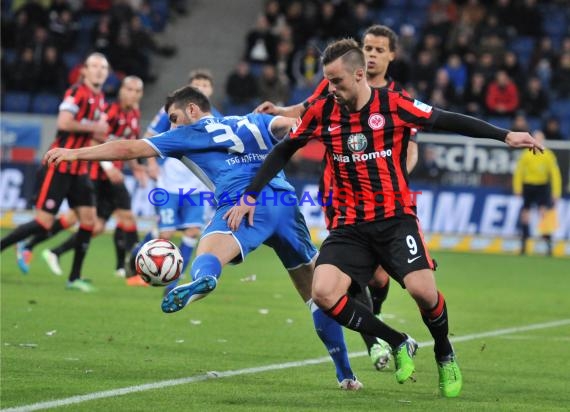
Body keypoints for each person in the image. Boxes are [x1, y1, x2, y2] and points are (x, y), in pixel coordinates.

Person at [224, 39, 543, 397]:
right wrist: (250, 194)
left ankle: (444, 352)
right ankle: (397, 341)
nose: (331, 89)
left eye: (337, 81)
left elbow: (446, 118)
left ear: (359, 75)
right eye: (328, 82)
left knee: (424, 293)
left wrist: (504, 135)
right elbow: (284, 149)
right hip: (350, 226)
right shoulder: (323, 111)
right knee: (324, 293)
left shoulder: (394, 105)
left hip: (395, 220)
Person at [44, 85, 362, 391]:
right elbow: (291, 124)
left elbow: (129, 149)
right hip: (284, 203)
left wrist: (74, 154)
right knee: (315, 297)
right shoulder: (251, 119)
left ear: (193, 110)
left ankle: (205, 278)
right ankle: (346, 375)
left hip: (243, 206)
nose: (172, 123)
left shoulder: (188, 133)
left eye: (174, 116)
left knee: (206, 252)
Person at [256, 24, 416, 371]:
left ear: (391, 55)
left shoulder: (397, 98)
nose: (372, 54)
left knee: (379, 279)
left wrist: (397, 177)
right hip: (340, 197)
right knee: (349, 275)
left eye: (378, 49)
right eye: (368, 47)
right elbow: (308, 108)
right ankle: (374, 342)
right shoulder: (335, 84)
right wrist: (280, 110)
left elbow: (411, 147)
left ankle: (377, 319)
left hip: (385, 201)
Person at [1, 52, 110, 292]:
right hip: (59, 164)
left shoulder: (100, 98)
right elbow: (63, 122)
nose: (99, 70)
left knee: (89, 221)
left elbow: (101, 134)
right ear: (84, 70)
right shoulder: (76, 92)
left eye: (103, 67)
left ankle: (74, 278)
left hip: (80, 168)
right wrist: (94, 127)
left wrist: (98, 132)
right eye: (94, 66)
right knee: (44, 221)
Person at [38, 76, 147, 286]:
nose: (132, 93)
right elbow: (95, 138)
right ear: (122, 90)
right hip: (98, 174)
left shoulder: (134, 114)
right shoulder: (110, 111)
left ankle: (53, 250)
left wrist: (138, 168)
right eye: (129, 89)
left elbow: (130, 147)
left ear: (140, 94)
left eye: (136, 90)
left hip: (111, 177)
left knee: (95, 226)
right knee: (125, 218)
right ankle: (133, 272)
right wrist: (108, 167)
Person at [130, 69, 222, 291]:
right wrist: (151, 164)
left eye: (205, 85)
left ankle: (174, 281)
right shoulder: (171, 113)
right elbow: (150, 137)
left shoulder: (217, 117)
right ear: (189, 89)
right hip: (169, 183)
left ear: (211, 90)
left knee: (192, 232)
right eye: (197, 84)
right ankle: (139, 256)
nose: (201, 88)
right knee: (166, 234)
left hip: (197, 188)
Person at [513, 130, 562, 256]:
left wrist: (556, 192)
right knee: (525, 213)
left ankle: (548, 244)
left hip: (542, 186)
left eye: (540, 139)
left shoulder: (548, 155)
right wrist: (517, 188)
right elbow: (519, 172)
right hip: (528, 186)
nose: (538, 141)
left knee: (543, 213)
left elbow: (555, 174)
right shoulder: (526, 154)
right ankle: (524, 243)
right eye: (536, 138)